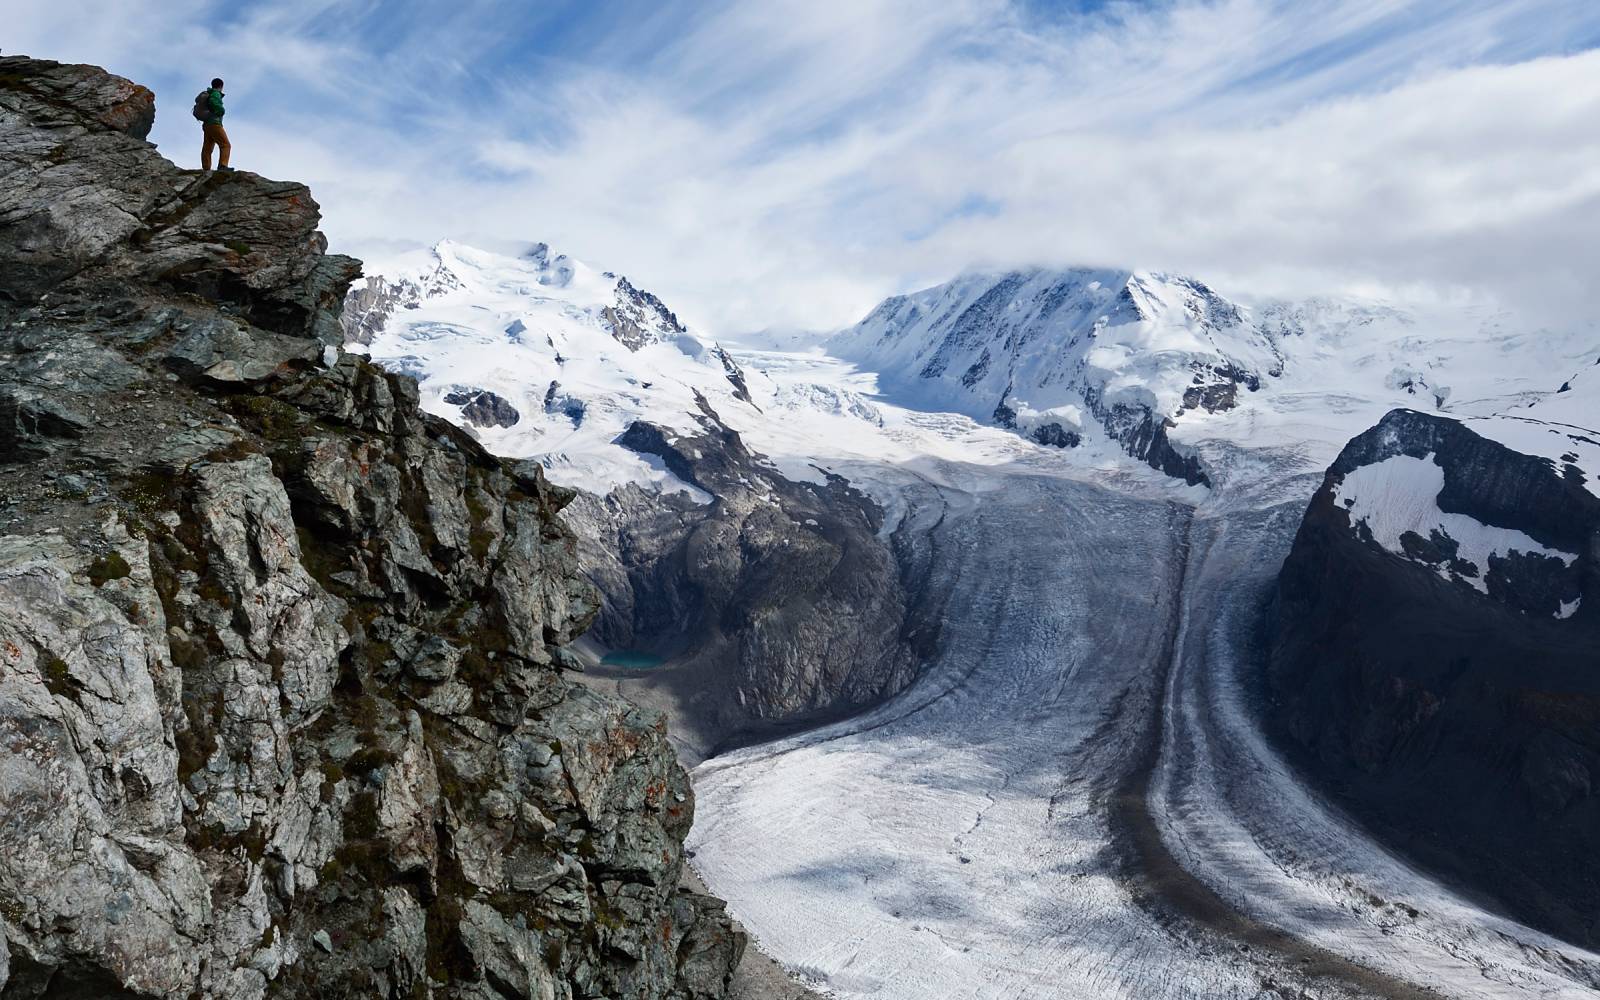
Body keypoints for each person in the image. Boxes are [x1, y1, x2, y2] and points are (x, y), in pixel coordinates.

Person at [200, 77, 233, 172]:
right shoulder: (215, 93)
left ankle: (206, 168)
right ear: (221, 86)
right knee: (225, 145)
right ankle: (223, 166)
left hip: (207, 125)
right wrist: (221, 110)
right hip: (215, 123)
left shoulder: (209, 93)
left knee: (207, 147)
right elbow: (214, 103)